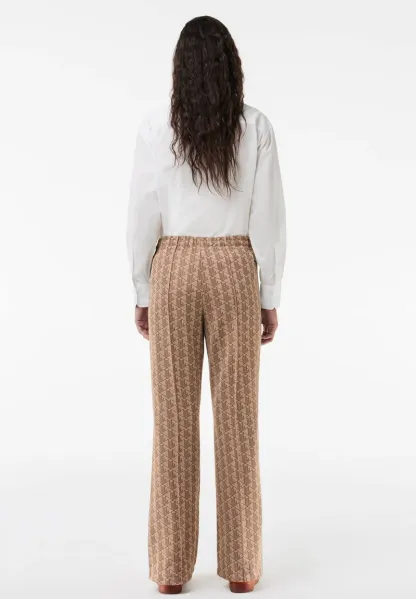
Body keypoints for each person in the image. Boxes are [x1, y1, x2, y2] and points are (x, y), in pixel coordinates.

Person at [126, 15, 286, 595]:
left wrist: (143, 290)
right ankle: (242, 566)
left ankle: (170, 570)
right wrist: (269, 295)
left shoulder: (156, 127)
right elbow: (267, 216)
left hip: (172, 266)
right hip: (234, 266)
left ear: (181, 70)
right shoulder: (255, 126)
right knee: (238, 419)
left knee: (172, 421)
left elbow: (143, 212)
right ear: (230, 67)